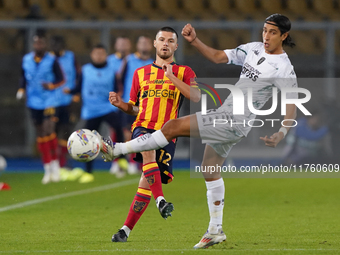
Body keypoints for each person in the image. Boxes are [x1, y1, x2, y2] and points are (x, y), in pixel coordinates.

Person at [100, 14, 298, 248]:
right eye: (264, 30)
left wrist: (282, 133)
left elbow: (291, 105)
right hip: (230, 118)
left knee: (172, 126)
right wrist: (194, 41)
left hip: (233, 120)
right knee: (209, 170)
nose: (266, 36)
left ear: (284, 36)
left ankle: (117, 149)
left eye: (273, 32)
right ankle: (215, 231)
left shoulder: (284, 68)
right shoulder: (252, 49)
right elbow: (217, 57)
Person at [106, 27, 200, 242]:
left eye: (170, 40)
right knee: (147, 150)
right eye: (161, 39)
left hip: (168, 133)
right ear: (155, 44)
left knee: (144, 184)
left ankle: (125, 231)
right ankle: (161, 201)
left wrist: (172, 77)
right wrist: (122, 105)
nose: (165, 43)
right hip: (143, 126)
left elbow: (196, 96)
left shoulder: (185, 72)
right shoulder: (140, 73)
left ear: (176, 46)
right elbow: (136, 108)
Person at [64, 44, 126, 183]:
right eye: (96, 53)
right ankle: (88, 172)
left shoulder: (112, 71)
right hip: (91, 111)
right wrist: (71, 91)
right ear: (92, 55)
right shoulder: (85, 70)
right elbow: (79, 87)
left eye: (101, 53)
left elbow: (118, 89)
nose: (99, 56)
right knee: (88, 141)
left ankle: (121, 159)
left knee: (118, 126)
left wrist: (116, 98)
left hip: (107, 108)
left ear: (106, 55)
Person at [17, 33, 65, 184]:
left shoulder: (52, 60)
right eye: (36, 43)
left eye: (41, 43)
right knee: (40, 133)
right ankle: (47, 167)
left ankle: (55, 164)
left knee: (48, 129)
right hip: (33, 101)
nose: (39, 46)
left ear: (45, 45)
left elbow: (62, 79)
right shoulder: (26, 60)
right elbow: (23, 77)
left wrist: (51, 86)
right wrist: (21, 89)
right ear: (33, 45)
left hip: (50, 100)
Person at [110, 35, 154, 176]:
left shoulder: (155, 63)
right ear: (137, 45)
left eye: (147, 42)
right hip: (131, 103)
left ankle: (141, 163)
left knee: (145, 134)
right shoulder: (129, 60)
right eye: (141, 42)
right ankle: (128, 162)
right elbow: (119, 79)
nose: (144, 45)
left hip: (148, 104)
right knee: (127, 133)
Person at [50, 35, 80, 170]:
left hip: (68, 101)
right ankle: (53, 162)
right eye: (53, 44)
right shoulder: (47, 59)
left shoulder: (71, 57)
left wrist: (76, 93)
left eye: (58, 44)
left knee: (67, 131)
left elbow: (78, 75)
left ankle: (63, 162)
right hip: (52, 102)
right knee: (52, 132)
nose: (56, 47)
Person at [107, 36, 132, 176]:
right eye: (120, 43)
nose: (122, 46)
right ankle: (115, 162)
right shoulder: (110, 61)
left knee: (130, 133)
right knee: (115, 132)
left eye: (125, 43)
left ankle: (130, 161)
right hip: (114, 102)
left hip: (129, 101)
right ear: (116, 45)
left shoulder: (132, 60)